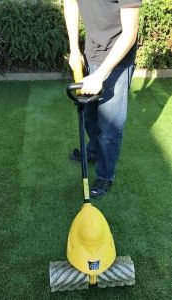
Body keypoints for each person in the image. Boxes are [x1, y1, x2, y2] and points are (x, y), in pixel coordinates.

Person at [64, 0, 142, 197]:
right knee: (89, 115)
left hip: (117, 60)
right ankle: (93, 152)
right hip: (92, 52)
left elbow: (130, 33)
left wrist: (100, 75)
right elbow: (71, 3)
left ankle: (105, 175)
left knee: (109, 126)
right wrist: (74, 48)